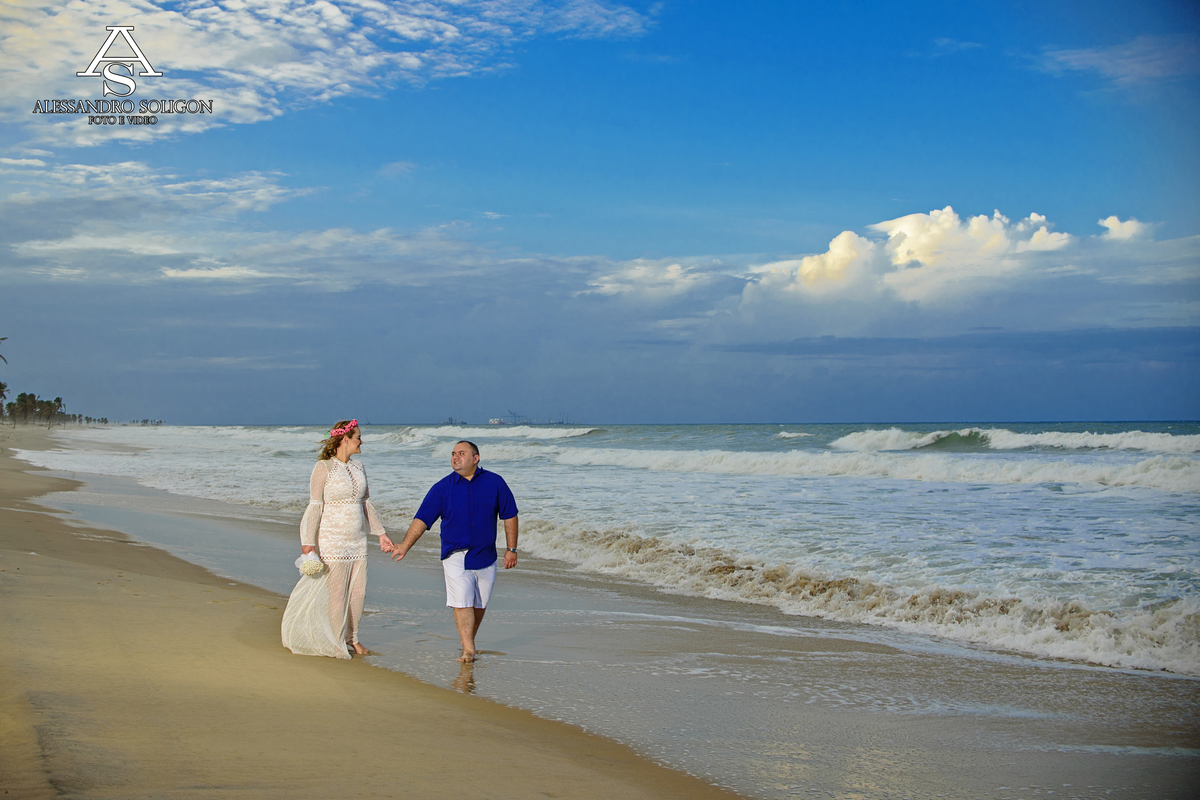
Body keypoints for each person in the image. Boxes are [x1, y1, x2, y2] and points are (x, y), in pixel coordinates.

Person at [388, 440, 518, 663]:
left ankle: (467, 641)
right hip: (454, 553)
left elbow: (510, 515)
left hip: (485, 554)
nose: (455, 457)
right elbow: (423, 519)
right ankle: (469, 649)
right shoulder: (442, 488)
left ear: (476, 459)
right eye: (453, 454)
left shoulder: (495, 482)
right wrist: (405, 545)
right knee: (462, 600)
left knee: (479, 604)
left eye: (461, 453)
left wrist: (511, 549)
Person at [281, 419, 394, 658]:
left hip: (358, 540)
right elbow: (314, 506)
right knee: (337, 595)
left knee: (358, 594)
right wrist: (308, 543)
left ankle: (353, 638)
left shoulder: (359, 467)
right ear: (345, 439)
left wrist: (381, 534)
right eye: (358, 437)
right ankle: (336, 642)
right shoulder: (323, 467)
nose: (362, 441)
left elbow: (366, 503)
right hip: (332, 540)